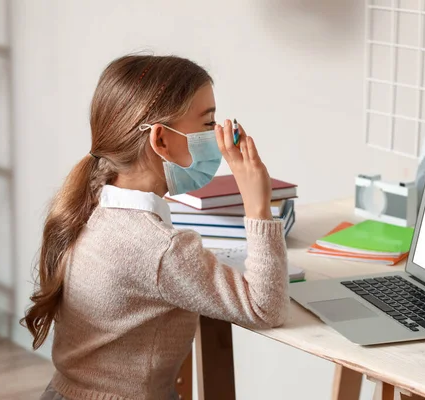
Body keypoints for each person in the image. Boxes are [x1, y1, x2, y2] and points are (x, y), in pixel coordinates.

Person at [22, 54, 289, 400]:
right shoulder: (160, 249)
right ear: (161, 140)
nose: (219, 137)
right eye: (209, 125)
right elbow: (265, 308)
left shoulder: (91, 206)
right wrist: (257, 203)